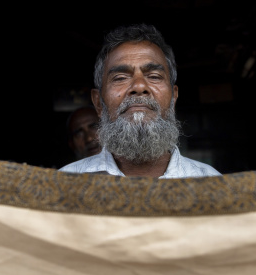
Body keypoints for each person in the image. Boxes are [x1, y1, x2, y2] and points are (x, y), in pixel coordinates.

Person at [59, 23, 222, 178]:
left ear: (173, 98)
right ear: (98, 103)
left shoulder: (212, 183)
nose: (139, 86)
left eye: (154, 76)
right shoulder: (63, 186)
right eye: (121, 77)